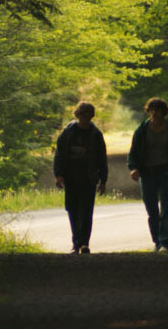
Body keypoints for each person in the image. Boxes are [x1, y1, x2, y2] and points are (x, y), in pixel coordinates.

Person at [127, 97, 168, 253]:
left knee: (166, 208)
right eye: (152, 110)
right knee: (152, 209)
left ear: (164, 112)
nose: (155, 113)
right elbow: (133, 152)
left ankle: (165, 242)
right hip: (147, 174)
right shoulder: (141, 131)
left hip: (165, 172)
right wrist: (133, 168)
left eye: (159, 110)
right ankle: (157, 240)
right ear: (149, 111)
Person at [54, 102, 108, 254]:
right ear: (77, 115)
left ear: (91, 116)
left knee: (86, 211)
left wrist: (103, 180)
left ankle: (84, 243)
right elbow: (59, 155)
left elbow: (102, 158)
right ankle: (75, 242)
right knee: (72, 209)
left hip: (89, 178)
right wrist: (58, 175)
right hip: (70, 178)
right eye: (82, 114)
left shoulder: (96, 135)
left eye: (88, 115)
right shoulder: (67, 133)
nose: (85, 118)